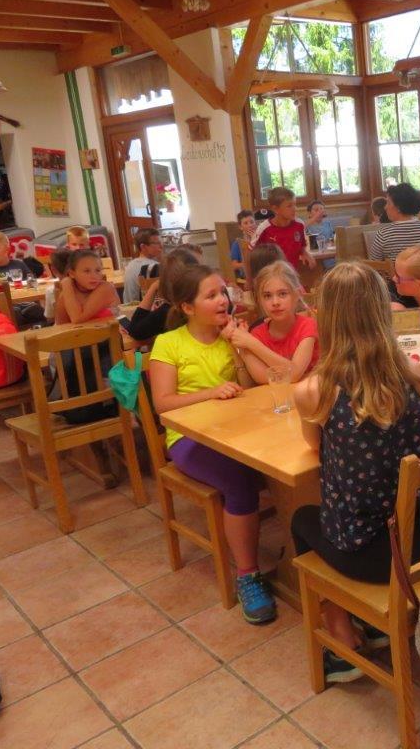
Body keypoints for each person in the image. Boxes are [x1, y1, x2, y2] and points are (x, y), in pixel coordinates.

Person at [291, 262, 420, 683]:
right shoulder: (414, 374)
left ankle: (343, 637)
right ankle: (369, 624)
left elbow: (314, 447)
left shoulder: (315, 390)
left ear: (327, 319)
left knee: (300, 518)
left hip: (372, 556)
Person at [149, 265, 275, 624]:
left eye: (224, 292)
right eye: (212, 295)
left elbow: (253, 388)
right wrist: (211, 393)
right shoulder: (168, 343)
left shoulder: (230, 336)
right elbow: (163, 404)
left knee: (287, 461)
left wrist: (241, 347)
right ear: (188, 307)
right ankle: (248, 575)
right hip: (189, 439)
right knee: (239, 481)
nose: (223, 300)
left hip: (236, 430)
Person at [222, 261, 318, 385]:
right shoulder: (257, 333)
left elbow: (293, 374)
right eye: (267, 296)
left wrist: (252, 343)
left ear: (297, 295)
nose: (275, 302)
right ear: (260, 300)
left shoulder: (308, 326)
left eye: (282, 294)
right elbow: (262, 378)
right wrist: (244, 347)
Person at [126, 246, 200, 341]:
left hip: (173, 350)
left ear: (163, 281)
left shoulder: (168, 312)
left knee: (140, 350)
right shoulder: (203, 305)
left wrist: (152, 288)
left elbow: (134, 331)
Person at [368, 183, 420, 262]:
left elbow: (375, 265)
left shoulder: (384, 234)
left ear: (398, 207)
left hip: (398, 270)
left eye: (388, 202)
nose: (385, 207)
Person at [251, 187, 315, 271]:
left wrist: (305, 253)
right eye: (289, 206)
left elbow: (301, 245)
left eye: (295, 204)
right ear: (275, 209)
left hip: (291, 275)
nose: (295, 209)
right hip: (270, 275)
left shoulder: (299, 225)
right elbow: (249, 253)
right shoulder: (264, 228)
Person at [55, 249, 120, 324]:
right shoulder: (67, 295)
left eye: (98, 270)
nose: (94, 276)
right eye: (87, 271)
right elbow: (61, 326)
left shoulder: (106, 288)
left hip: (113, 331)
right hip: (83, 332)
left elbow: (77, 319)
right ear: (72, 274)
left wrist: (66, 283)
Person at [122, 228, 163, 303]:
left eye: (161, 242)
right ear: (143, 247)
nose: (161, 246)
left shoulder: (131, 264)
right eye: (157, 243)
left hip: (129, 307)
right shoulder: (153, 266)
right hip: (143, 308)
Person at [231, 209, 256, 278]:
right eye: (246, 223)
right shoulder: (237, 244)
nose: (250, 225)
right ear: (240, 227)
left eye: (252, 222)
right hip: (247, 275)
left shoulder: (260, 239)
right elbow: (234, 265)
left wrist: (254, 239)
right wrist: (247, 264)